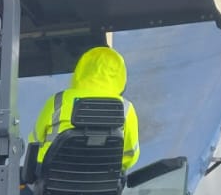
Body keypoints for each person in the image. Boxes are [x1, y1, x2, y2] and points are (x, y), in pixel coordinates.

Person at [30, 45, 140, 173]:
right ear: (121, 77)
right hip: (102, 187)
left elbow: (34, 143)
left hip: (51, 182)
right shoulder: (126, 108)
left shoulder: (58, 101)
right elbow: (130, 155)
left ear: (81, 70)